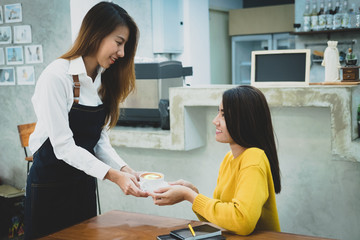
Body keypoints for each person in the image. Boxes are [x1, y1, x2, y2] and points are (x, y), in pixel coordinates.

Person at [24, 2, 148, 239]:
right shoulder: (56, 76)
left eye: (125, 46)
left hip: (82, 186)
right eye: (119, 42)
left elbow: (99, 141)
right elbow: (64, 147)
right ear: (97, 33)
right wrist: (114, 176)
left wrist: (125, 169)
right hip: (49, 187)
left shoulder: (102, 80)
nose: (122, 53)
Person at [151, 86, 281, 235]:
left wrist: (189, 196)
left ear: (244, 120)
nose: (215, 121)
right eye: (218, 112)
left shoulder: (254, 158)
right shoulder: (228, 158)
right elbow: (221, 220)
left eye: (224, 115)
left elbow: (242, 222)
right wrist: (193, 193)